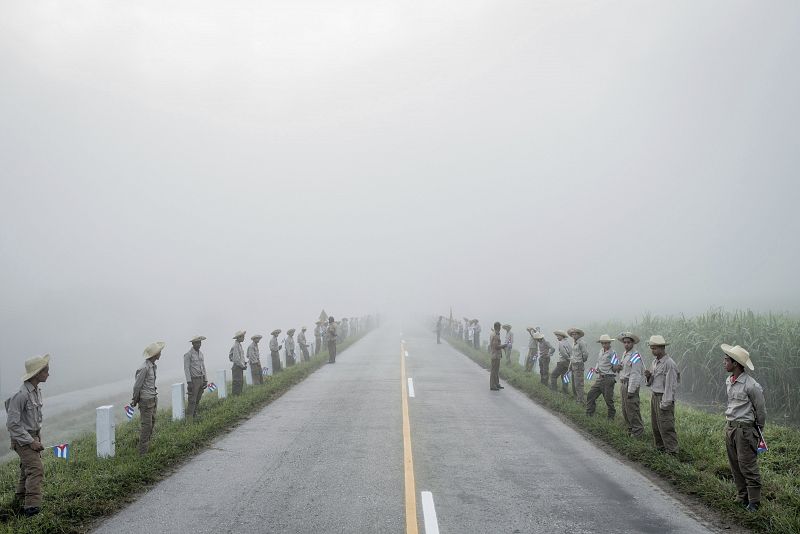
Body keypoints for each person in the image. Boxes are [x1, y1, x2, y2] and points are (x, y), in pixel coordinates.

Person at [721, 344, 766, 512]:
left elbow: (761, 411)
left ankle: (754, 501)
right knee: (735, 464)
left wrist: (756, 432)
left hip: (745, 431)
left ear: (736, 364)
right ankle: (742, 496)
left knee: (747, 465)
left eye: (727, 360)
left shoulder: (751, 385)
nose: (724, 362)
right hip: (731, 427)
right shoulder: (729, 381)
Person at [5, 354, 50, 517]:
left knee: (26, 469)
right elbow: (12, 424)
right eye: (46, 371)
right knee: (36, 469)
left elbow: (34, 419)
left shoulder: (36, 391)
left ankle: (19, 501)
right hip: (22, 439)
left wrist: (37, 437)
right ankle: (31, 508)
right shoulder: (21, 395)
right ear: (37, 373)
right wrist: (31, 441)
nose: (48, 374)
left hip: (33, 436)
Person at [644, 335, 679, 454]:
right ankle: (660, 449)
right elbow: (651, 382)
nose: (652, 351)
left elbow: (670, 386)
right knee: (656, 425)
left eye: (654, 348)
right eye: (651, 348)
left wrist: (665, 404)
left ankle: (672, 451)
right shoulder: (655, 362)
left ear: (661, 348)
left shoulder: (669, 364)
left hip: (663, 398)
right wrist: (648, 376)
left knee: (666, 426)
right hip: (655, 396)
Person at [132, 342, 163, 454]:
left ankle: (146, 447)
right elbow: (137, 386)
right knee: (146, 426)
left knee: (152, 424)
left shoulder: (153, 366)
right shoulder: (144, 368)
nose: (161, 353)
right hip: (145, 400)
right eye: (159, 352)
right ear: (155, 354)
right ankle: (142, 453)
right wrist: (135, 400)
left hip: (153, 398)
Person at [617, 332, 644, 437]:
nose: (626, 344)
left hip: (630, 384)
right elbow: (625, 369)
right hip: (623, 383)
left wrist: (631, 390)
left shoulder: (635, 355)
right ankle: (630, 428)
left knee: (632, 409)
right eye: (625, 342)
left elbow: (635, 374)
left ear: (633, 343)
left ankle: (638, 431)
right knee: (625, 409)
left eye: (628, 342)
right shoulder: (625, 354)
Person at [585, 334, 617, 418]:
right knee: (591, 394)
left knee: (608, 400)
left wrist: (615, 369)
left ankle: (611, 418)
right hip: (600, 377)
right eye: (602, 343)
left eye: (606, 343)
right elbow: (598, 362)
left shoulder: (612, 353)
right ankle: (589, 413)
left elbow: (615, 367)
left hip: (608, 378)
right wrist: (596, 369)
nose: (604, 345)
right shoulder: (601, 351)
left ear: (609, 343)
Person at [184, 336, 208, 419]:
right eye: (197, 343)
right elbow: (186, 368)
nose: (199, 344)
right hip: (194, 380)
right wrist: (189, 382)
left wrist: (205, 379)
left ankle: (195, 414)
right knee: (192, 400)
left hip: (201, 378)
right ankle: (189, 419)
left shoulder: (201, 354)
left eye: (200, 342)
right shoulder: (188, 354)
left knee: (198, 398)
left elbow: (203, 367)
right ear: (193, 343)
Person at [568, 327, 589, 405]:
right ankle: (577, 399)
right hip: (573, 364)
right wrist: (570, 366)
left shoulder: (581, 342)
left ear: (579, 335)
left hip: (578, 364)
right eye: (572, 334)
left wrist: (581, 361)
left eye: (575, 334)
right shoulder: (574, 343)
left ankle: (581, 401)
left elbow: (585, 354)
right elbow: (572, 355)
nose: (574, 335)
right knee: (575, 383)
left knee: (579, 384)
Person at [489, 322, 508, 391]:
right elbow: (496, 346)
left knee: (496, 371)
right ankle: (492, 385)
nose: (500, 328)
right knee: (494, 371)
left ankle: (496, 384)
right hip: (495, 355)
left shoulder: (495, 334)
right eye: (500, 327)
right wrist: (504, 346)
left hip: (496, 355)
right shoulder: (495, 335)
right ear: (497, 327)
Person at [230, 330, 247, 395]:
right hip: (237, 366)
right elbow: (236, 359)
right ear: (239, 337)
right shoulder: (236, 346)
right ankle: (235, 397)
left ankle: (238, 395)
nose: (243, 338)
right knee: (237, 382)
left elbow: (236, 357)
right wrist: (243, 365)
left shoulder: (239, 345)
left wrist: (243, 362)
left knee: (240, 382)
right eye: (242, 337)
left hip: (239, 366)